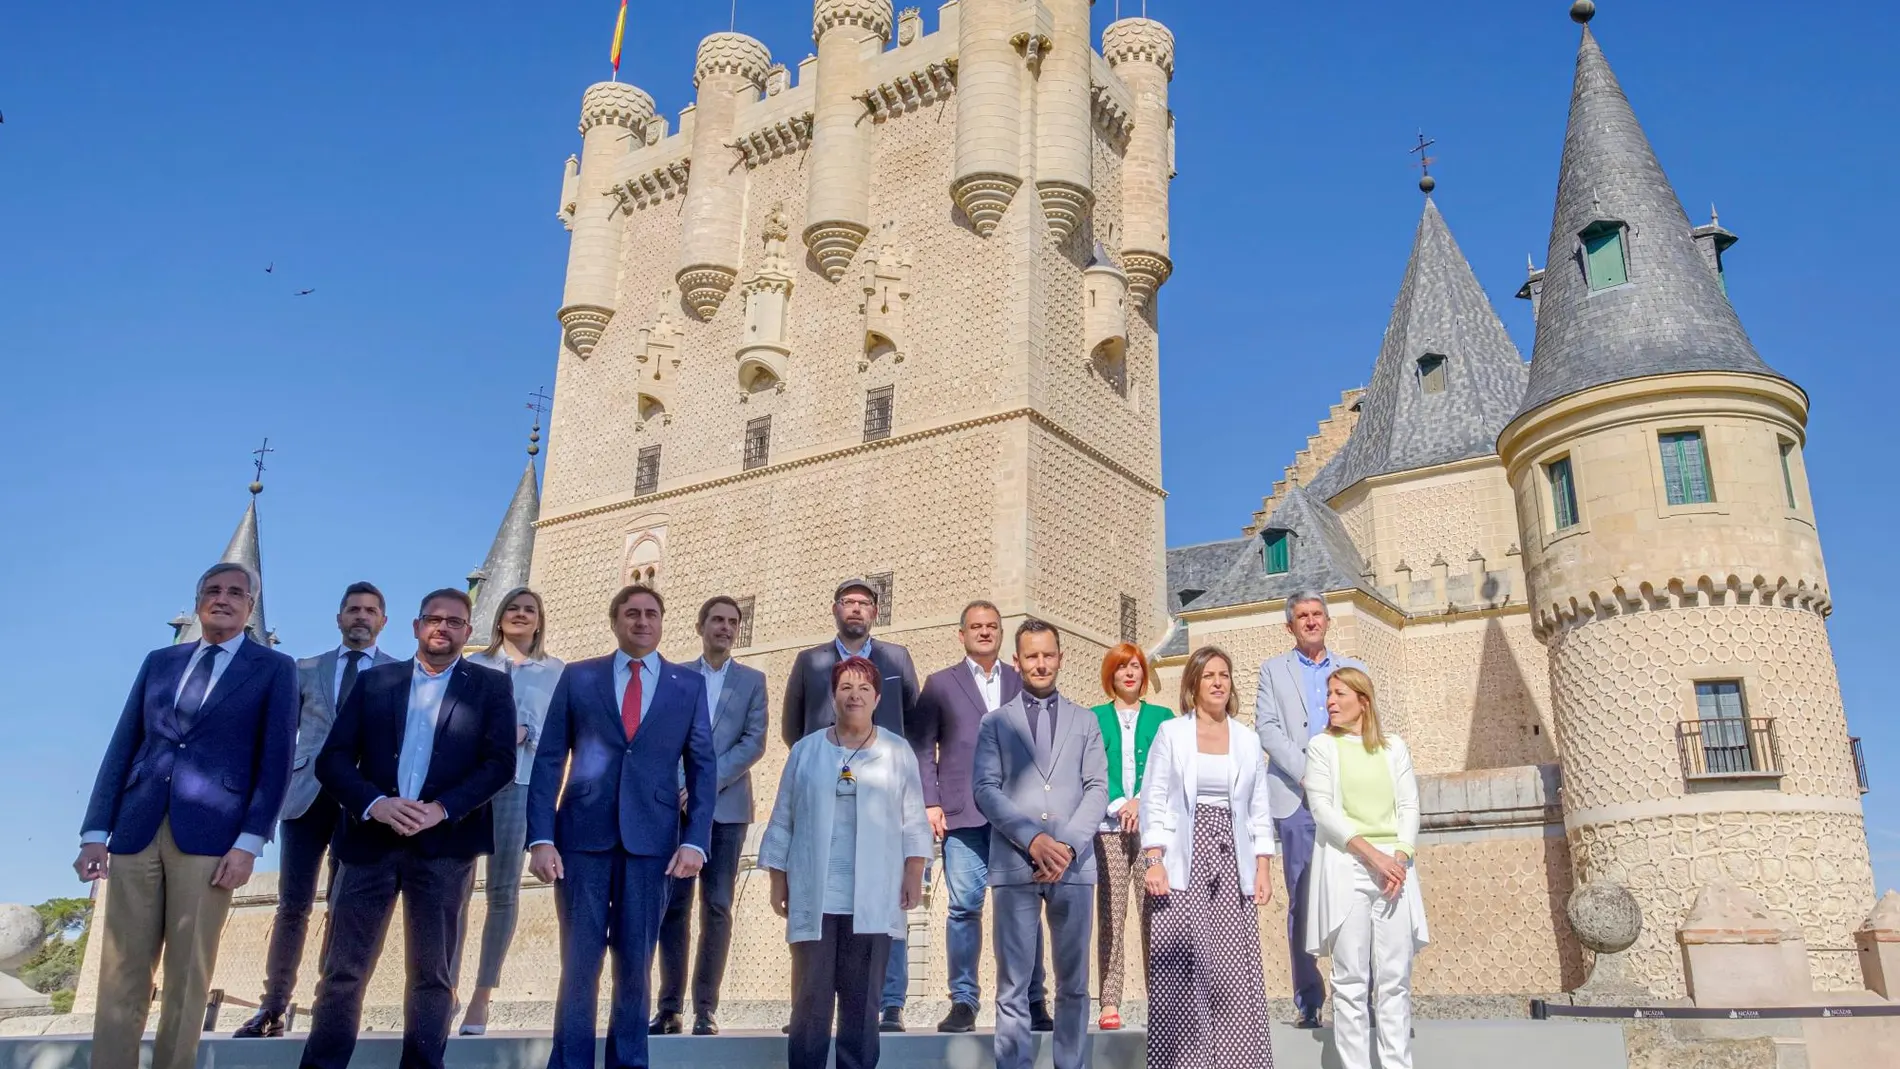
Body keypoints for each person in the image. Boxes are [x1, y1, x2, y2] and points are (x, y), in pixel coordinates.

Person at [78, 562, 297, 1069]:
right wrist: (95, 831)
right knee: (120, 974)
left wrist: (249, 843)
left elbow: (276, 762)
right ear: (199, 601)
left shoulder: (273, 669)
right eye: (213, 591)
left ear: (250, 607)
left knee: (187, 974)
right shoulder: (160, 662)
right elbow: (123, 745)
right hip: (135, 829)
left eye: (236, 593)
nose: (223, 599)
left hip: (212, 841)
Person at [298, 588, 517, 1069]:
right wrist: (374, 804)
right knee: (342, 971)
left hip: (444, 846)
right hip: (369, 843)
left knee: (432, 974)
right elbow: (333, 759)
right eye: (433, 619)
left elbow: (500, 763)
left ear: (468, 632)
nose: (443, 627)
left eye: (455, 621)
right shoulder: (376, 682)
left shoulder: (491, 688)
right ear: (416, 627)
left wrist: (443, 809)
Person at [528, 584, 715, 1069]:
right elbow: (549, 759)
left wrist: (695, 839)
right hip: (581, 840)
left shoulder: (686, 686)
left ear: (662, 622)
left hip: (653, 843)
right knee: (580, 965)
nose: (642, 621)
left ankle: (628, 1062)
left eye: (651, 614)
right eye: (631, 613)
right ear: (615, 621)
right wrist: (541, 837)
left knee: (636, 966)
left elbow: (702, 767)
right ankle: (569, 1064)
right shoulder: (578, 677)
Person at [237, 581, 396, 1039]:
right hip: (306, 796)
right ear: (339, 618)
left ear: (382, 621)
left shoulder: (396, 673)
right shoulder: (304, 670)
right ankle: (272, 1005)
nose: (361, 617)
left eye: (370, 610)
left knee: (346, 906)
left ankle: (334, 1006)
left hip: (365, 801)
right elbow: (279, 735)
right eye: (352, 610)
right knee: (293, 905)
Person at [760, 657, 931, 1069]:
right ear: (832, 696)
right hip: (815, 893)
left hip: (873, 896)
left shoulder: (896, 750)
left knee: (861, 1005)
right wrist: (778, 880)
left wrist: (913, 873)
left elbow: (914, 817)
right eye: (845, 688)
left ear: (876, 697)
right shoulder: (806, 751)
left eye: (863, 688)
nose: (854, 695)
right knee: (810, 1003)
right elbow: (783, 817)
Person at [781, 577, 920, 1030]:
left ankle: (891, 1005)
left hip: (880, 823)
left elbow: (914, 723)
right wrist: (822, 761)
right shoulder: (810, 662)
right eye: (848, 602)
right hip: (821, 824)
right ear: (836, 610)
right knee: (814, 976)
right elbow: (791, 727)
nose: (856, 609)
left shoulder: (897, 659)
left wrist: (915, 867)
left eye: (865, 603)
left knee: (877, 935)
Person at [911, 601, 1052, 1034]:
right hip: (962, 813)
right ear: (962, 634)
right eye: (976, 626)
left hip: (1016, 818)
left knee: (1025, 910)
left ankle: (1032, 1000)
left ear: (1001, 633)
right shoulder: (939, 684)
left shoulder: (1020, 680)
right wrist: (931, 802)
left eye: (992, 626)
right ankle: (964, 1002)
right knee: (963, 908)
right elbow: (921, 746)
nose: (985, 632)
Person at [972, 619, 1107, 1069]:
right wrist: (1033, 840)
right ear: (1017, 661)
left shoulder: (1086, 721)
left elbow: (1097, 789)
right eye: (1032, 656)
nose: (1041, 663)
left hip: (1073, 867)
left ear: (1061, 658)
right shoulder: (995, 723)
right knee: (1011, 986)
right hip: (1015, 865)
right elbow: (986, 789)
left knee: (1074, 985)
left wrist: (1064, 845)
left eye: (1049, 654)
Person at [1140, 646, 1277, 1069]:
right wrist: (1154, 858)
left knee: (1233, 968)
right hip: (1184, 854)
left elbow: (1258, 806)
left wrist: (1263, 867)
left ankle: (1241, 1061)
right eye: (1209, 676)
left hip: (1233, 854)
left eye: (1225, 675)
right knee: (1183, 963)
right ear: (1193, 685)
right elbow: (1154, 797)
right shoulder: (1172, 734)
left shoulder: (1248, 738)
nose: (1218, 682)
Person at [1251, 591, 1368, 1028]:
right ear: (1290, 626)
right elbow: (1268, 729)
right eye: (1302, 616)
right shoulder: (1271, 670)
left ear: (1328, 621)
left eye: (1317, 614)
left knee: (1354, 894)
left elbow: (1364, 725)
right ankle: (1309, 1000)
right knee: (1302, 898)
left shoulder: (1354, 671)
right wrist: (1309, 773)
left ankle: (1355, 995)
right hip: (1295, 798)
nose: (1311, 621)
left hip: (1348, 798)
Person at [653, 595, 768, 1036]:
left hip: (727, 810)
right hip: (676, 809)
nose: (724, 627)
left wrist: (704, 783)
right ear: (701, 626)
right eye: (717, 620)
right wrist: (681, 786)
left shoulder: (753, 681)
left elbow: (754, 743)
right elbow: (661, 736)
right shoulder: (675, 676)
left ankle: (705, 1008)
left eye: (731, 622)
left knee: (717, 906)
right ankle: (668, 1008)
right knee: (673, 909)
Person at [1304, 667, 1427, 1069]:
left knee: (1394, 980)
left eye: (1339, 694)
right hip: (1349, 867)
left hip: (1395, 872)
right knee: (1350, 981)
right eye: (1329, 695)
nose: (1330, 702)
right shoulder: (1322, 747)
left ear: (1363, 701)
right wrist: (1373, 856)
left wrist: (1401, 858)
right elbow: (1323, 810)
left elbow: (1409, 806)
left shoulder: (1394, 748)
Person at [457, 586, 565, 1036]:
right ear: (499, 619)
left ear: (539, 622)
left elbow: (557, 737)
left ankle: (482, 996)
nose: (521, 616)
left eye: (530, 611)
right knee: (452, 891)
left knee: (503, 892)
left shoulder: (556, 672)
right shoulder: (472, 665)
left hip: (518, 784)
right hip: (464, 788)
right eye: (513, 609)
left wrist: (527, 731)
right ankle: (442, 989)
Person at [1089, 642, 1172, 1031]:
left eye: (1136, 667)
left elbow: (1167, 767)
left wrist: (1141, 801)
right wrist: (1120, 802)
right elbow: (1091, 767)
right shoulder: (1094, 718)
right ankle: (1109, 1002)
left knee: (1157, 914)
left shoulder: (1163, 717)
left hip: (1152, 829)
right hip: (1109, 830)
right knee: (1112, 915)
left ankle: (1164, 1000)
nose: (1129, 673)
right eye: (1122, 667)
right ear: (1112, 674)